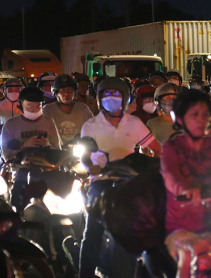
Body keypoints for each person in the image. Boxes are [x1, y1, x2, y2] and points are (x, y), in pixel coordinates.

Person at [78, 77, 161, 278]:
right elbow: (84, 157)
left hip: (129, 181)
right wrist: (92, 168)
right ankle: (85, 274)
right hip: (102, 181)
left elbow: (157, 149)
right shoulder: (90, 125)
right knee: (93, 231)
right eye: (107, 94)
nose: (111, 98)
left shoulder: (134, 123)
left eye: (116, 95)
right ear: (99, 99)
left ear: (125, 99)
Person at [161, 90, 211, 276]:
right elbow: (171, 175)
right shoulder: (172, 148)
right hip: (184, 222)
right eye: (194, 115)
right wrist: (186, 190)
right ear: (180, 119)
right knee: (189, 256)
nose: (200, 120)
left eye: (204, 114)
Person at [43, 74, 94, 146]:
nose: (66, 94)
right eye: (62, 90)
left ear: (74, 93)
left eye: (70, 90)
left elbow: (92, 128)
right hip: (56, 152)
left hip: (79, 149)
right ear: (56, 93)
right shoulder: (48, 110)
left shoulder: (83, 108)